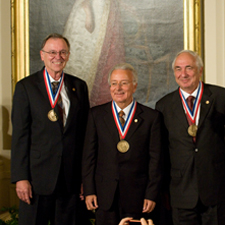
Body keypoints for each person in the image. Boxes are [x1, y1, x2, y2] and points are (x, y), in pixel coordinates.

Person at [11, 33, 90, 225]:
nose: (58, 57)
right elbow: (20, 137)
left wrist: (84, 179)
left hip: (70, 181)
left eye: (63, 52)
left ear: (68, 55)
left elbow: (84, 137)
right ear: (42, 55)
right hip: (36, 181)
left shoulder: (79, 87)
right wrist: (21, 178)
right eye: (52, 52)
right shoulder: (26, 87)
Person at [82, 63, 162, 225]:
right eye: (114, 83)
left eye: (124, 83)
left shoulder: (151, 118)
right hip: (104, 197)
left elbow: (156, 161)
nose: (118, 88)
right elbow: (88, 157)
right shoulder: (96, 115)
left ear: (134, 86)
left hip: (138, 198)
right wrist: (89, 190)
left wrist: (151, 194)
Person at [156, 50, 225, 225]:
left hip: (216, 190)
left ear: (200, 70)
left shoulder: (221, 97)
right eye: (178, 69)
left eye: (189, 68)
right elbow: (162, 152)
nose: (183, 74)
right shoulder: (164, 105)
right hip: (181, 193)